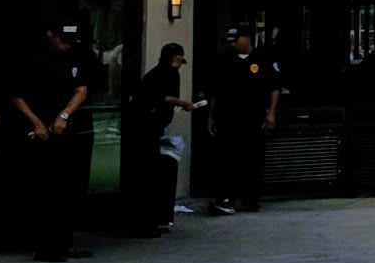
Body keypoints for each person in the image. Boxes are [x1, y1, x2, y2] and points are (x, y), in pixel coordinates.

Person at [11, 27, 95, 261]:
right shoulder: (33, 61)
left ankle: (65, 241)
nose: (67, 45)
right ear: (50, 35)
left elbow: (81, 89)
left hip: (65, 129)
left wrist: (65, 115)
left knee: (68, 188)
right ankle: (45, 245)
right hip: (40, 131)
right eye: (63, 40)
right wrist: (36, 123)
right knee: (43, 188)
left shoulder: (73, 57)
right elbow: (18, 96)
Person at [207, 28, 283, 216]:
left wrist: (271, 112)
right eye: (230, 42)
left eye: (236, 40)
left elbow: (274, 87)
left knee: (253, 159)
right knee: (228, 159)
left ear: (247, 39)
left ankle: (250, 199)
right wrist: (211, 115)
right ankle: (227, 198)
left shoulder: (262, 59)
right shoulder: (225, 60)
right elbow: (216, 90)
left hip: (253, 116)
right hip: (228, 117)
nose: (233, 44)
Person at [121, 43, 191, 237]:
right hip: (146, 128)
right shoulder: (165, 75)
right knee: (146, 175)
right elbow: (163, 98)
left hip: (148, 127)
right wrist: (183, 103)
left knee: (147, 175)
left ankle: (146, 221)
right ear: (174, 59)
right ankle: (142, 223)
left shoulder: (156, 74)